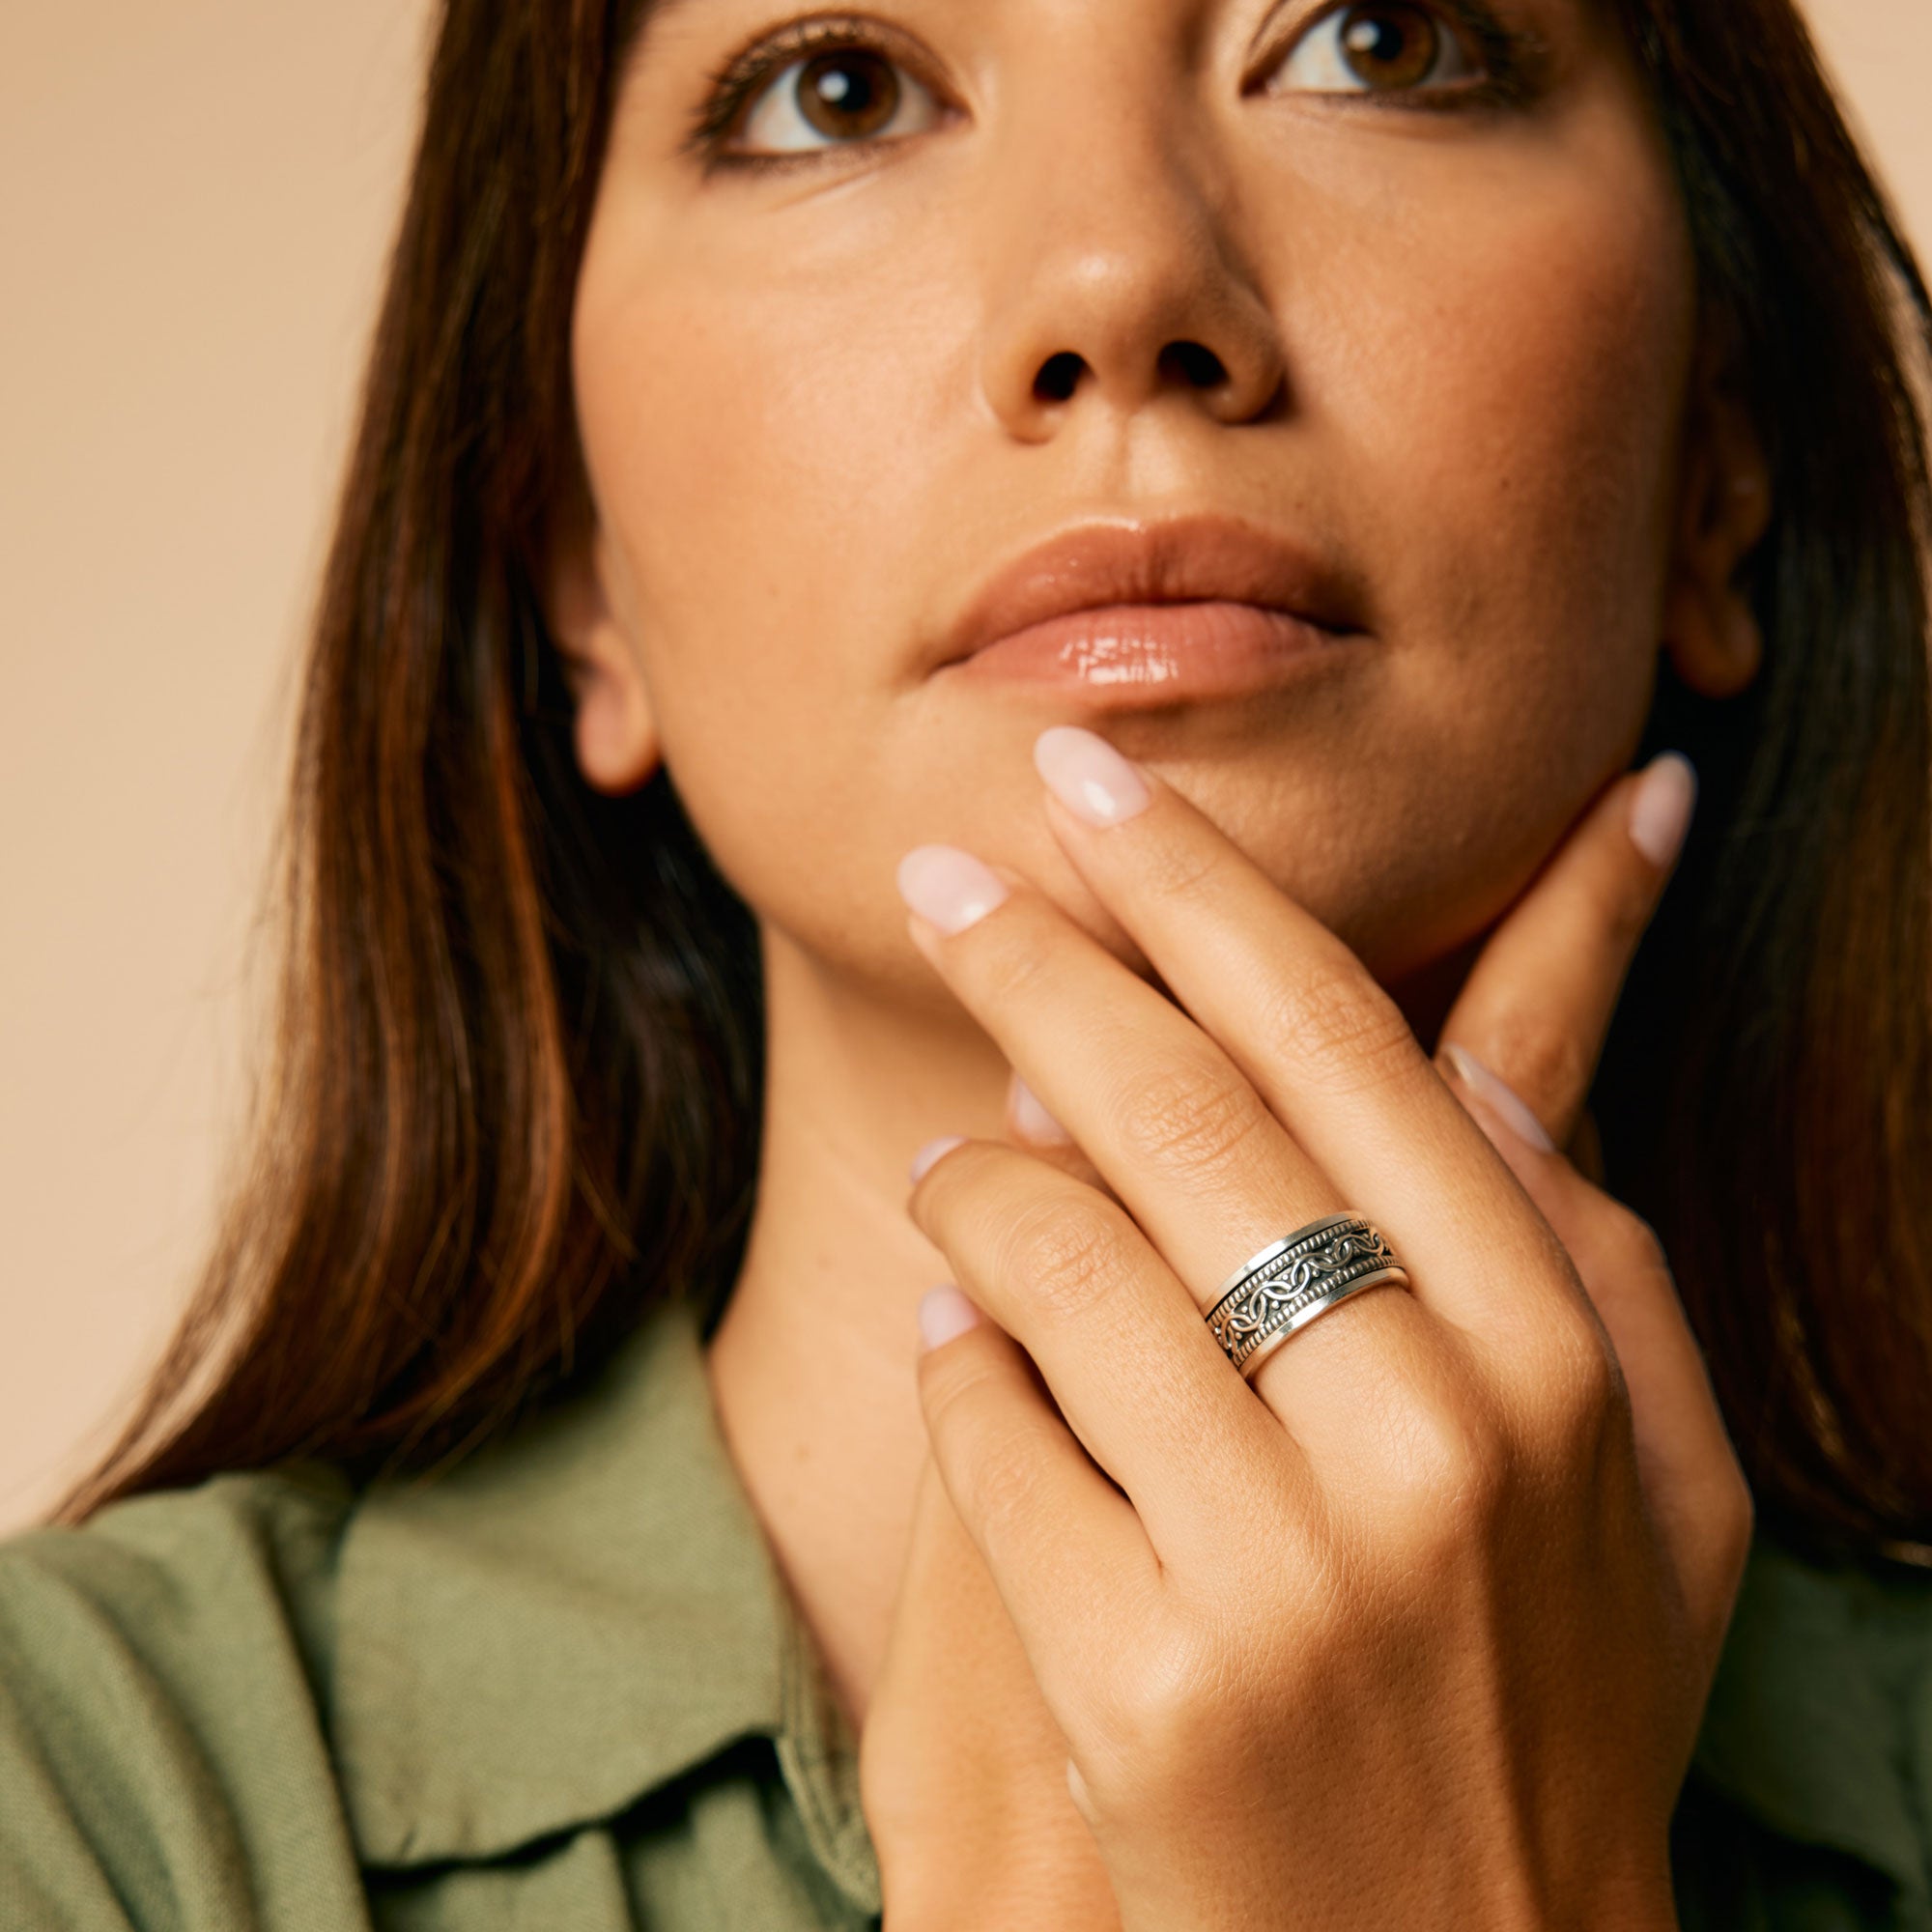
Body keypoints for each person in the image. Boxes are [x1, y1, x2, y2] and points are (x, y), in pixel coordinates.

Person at [3, 0, 1929, 1925]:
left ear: (1717, 460)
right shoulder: (71, 1802)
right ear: (579, 562)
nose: (1117, 278)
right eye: (833, 89)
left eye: (1377, 37)